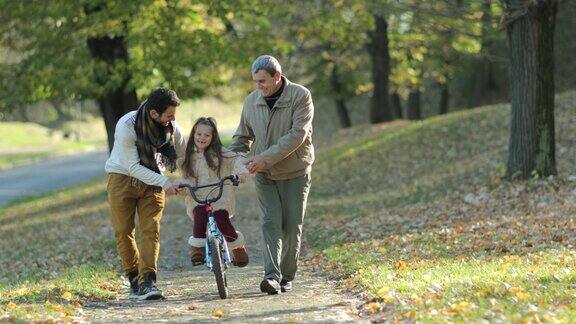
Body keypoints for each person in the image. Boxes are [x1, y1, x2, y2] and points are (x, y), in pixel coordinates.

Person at [229, 55, 314, 295]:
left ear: (277, 77)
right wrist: (226, 159)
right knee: (269, 222)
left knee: (291, 226)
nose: (259, 87)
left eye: (263, 81)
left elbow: (297, 135)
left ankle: (287, 276)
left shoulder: (300, 96)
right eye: (255, 82)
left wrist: (264, 158)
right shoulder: (251, 101)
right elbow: (242, 138)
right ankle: (271, 276)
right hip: (264, 174)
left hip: (295, 172)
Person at [105, 88, 185, 300]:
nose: (173, 120)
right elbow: (133, 167)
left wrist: (191, 176)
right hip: (122, 178)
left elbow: (185, 153)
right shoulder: (127, 126)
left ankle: (148, 281)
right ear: (153, 114)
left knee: (151, 229)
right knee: (124, 231)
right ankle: (134, 277)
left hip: (153, 181)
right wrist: (165, 181)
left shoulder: (171, 127)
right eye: (169, 115)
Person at [180, 117, 250, 267]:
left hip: (220, 195)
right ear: (193, 135)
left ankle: (237, 248)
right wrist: (179, 186)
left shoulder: (221, 154)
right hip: (199, 196)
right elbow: (185, 179)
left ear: (213, 137)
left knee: (222, 220)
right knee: (199, 217)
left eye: (207, 135)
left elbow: (237, 160)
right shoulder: (189, 158)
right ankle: (198, 250)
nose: (202, 138)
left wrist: (240, 173)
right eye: (199, 134)